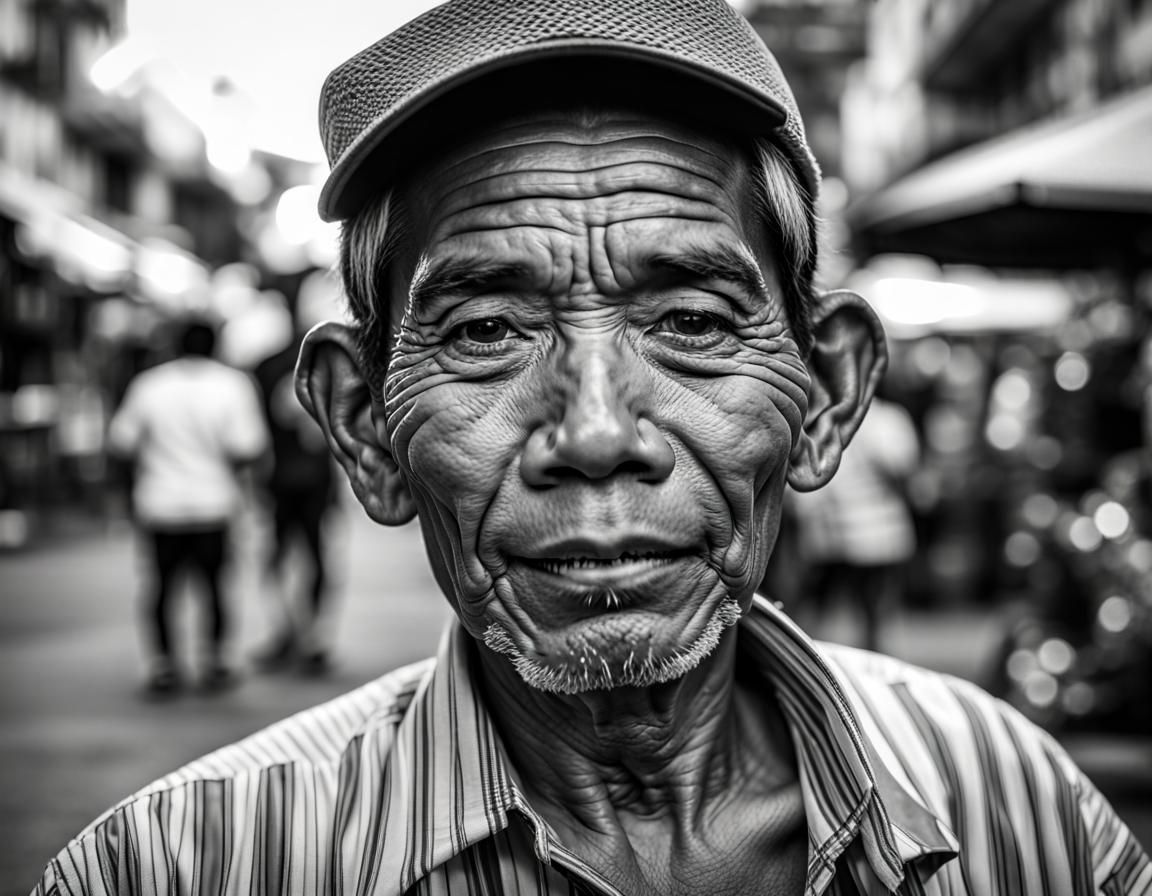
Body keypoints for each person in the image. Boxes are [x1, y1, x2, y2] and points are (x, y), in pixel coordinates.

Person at [34, 2, 1150, 893]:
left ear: (825, 394)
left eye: (694, 323)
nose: (598, 433)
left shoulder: (1022, 812)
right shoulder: (176, 866)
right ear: (365, 425)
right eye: (484, 331)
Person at [106, 318, 268, 695]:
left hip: (160, 503)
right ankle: (214, 660)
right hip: (213, 502)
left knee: (162, 585)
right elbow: (247, 447)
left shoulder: (149, 385)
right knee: (213, 585)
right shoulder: (233, 385)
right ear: (215, 345)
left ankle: (163, 665)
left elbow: (121, 442)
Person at [789, 392, 920, 650]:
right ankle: (807, 658)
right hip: (859, 535)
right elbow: (905, 470)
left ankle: (811, 658)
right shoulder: (884, 420)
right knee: (832, 609)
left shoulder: (827, 420)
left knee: (861, 610)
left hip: (862, 534)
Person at [251, 321, 338, 675]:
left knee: (279, 557)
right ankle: (310, 636)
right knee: (313, 555)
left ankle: (292, 632)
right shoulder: (326, 367)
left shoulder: (265, 368)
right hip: (313, 478)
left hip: (282, 479)